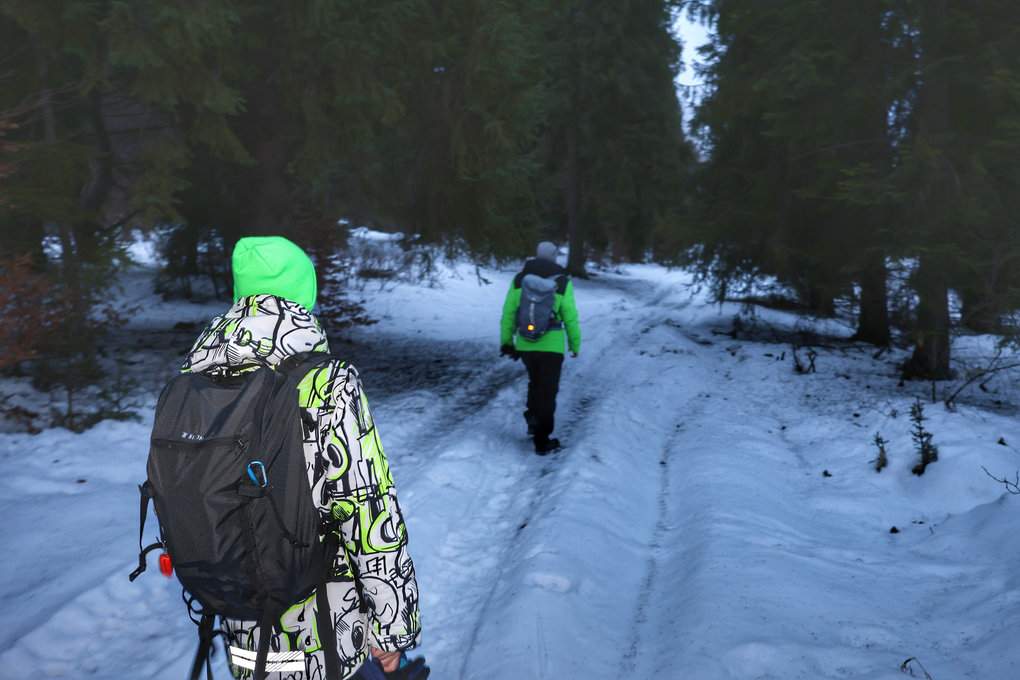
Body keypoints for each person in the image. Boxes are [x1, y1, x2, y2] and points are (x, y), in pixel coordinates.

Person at [182, 236, 427, 680]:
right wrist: (391, 635)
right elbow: (369, 511)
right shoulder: (326, 383)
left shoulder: (196, 380)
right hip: (326, 640)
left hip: (243, 634)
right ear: (304, 295)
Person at [499, 241, 581, 454]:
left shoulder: (520, 279)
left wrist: (507, 341)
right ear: (554, 257)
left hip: (526, 343)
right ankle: (542, 440)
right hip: (552, 346)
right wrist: (574, 343)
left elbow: (509, 312)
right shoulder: (562, 281)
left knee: (535, 383)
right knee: (548, 390)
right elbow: (570, 316)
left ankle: (532, 419)